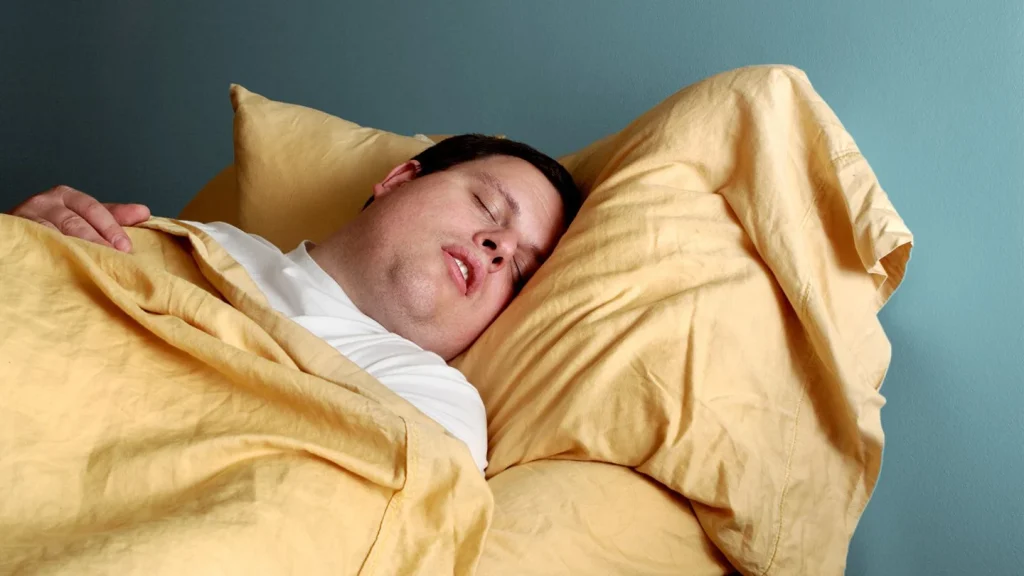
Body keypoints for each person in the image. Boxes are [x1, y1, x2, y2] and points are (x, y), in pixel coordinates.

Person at [7, 134, 583, 473]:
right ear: (400, 179)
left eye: (522, 268)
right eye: (488, 205)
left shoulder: (438, 409)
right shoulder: (194, 244)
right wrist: (26, 241)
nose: (501, 247)